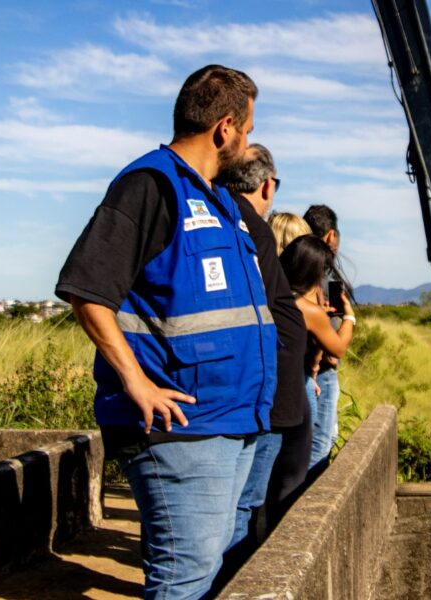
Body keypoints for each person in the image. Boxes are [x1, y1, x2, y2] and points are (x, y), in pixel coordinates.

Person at [55, 65, 274, 599]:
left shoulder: (219, 199)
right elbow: (87, 288)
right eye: (246, 130)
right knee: (184, 579)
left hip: (236, 417)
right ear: (225, 128)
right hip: (182, 428)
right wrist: (137, 382)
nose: (248, 143)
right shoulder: (150, 185)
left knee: (209, 568)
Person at [217, 144, 311, 562]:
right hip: (264, 400)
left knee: (241, 503)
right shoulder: (244, 227)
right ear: (267, 184)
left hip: (265, 396)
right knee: (242, 504)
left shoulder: (239, 224)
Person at [278, 234, 355, 472]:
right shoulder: (307, 309)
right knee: (305, 458)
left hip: (276, 391)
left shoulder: (274, 297)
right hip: (299, 389)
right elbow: (338, 347)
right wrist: (349, 316)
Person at [302, 205, 347, 467]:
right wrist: (349, 318)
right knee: (320, 444)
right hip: (321, 372)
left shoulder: (297, 263)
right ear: (331, 236)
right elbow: (335, 348)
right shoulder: (318, 273)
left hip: (311, 370)